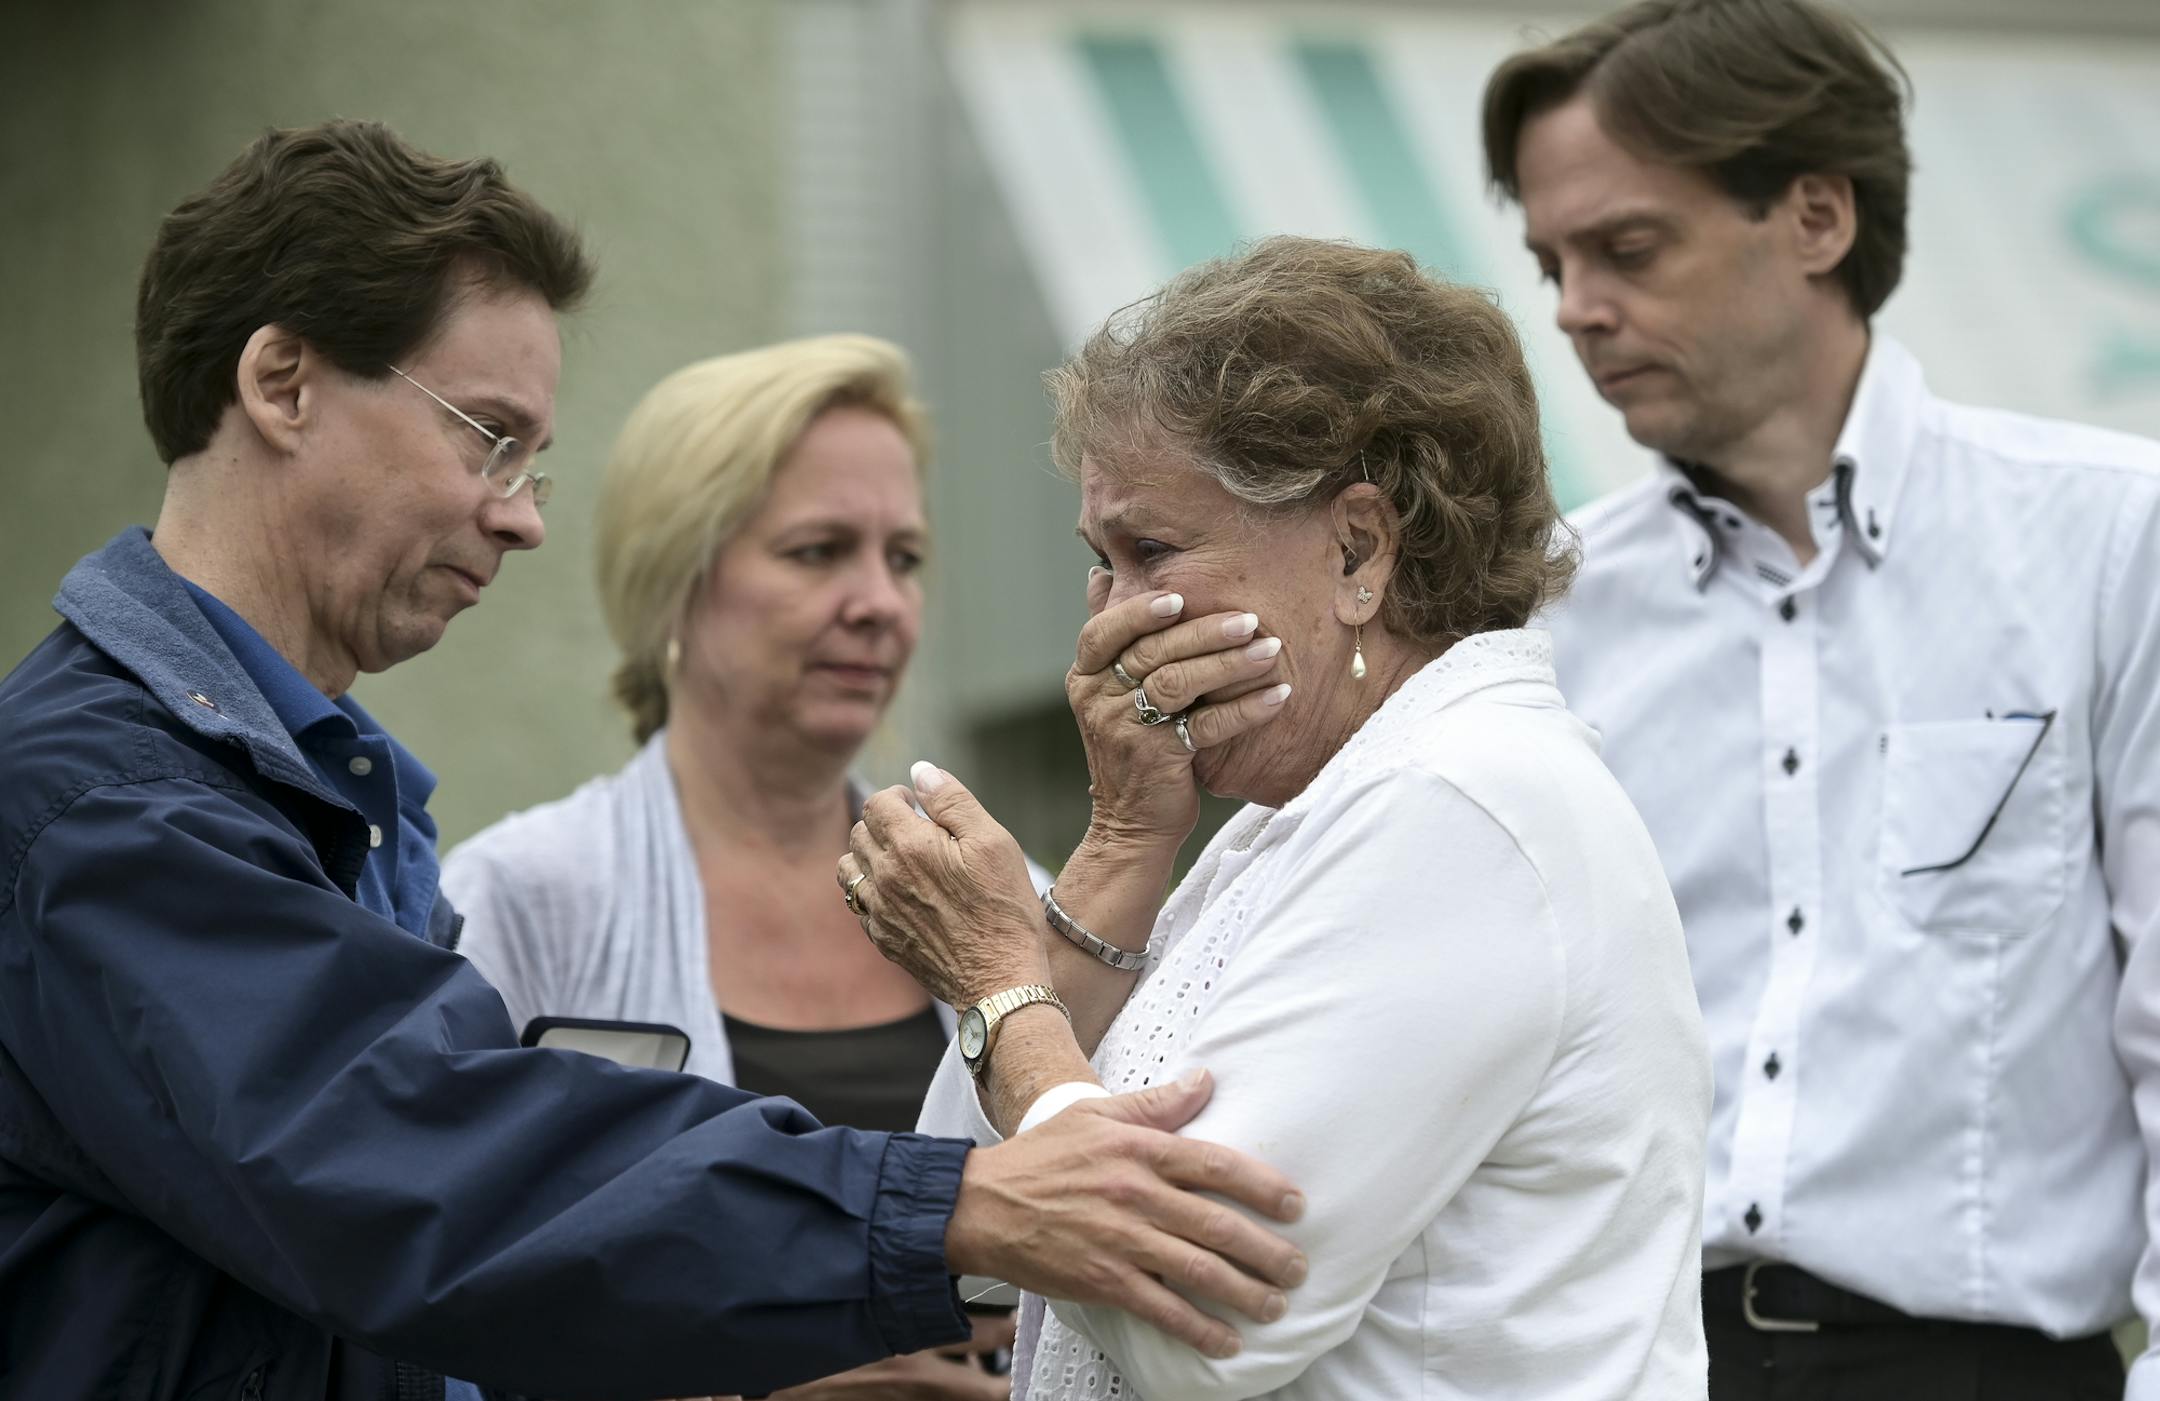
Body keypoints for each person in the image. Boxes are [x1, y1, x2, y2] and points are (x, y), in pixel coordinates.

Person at [0, 119, 1312, 1401]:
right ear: (280, 382)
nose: (516, 517)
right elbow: (426, 1166)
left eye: (904, 557)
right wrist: (938, 1218)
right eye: (487, 436)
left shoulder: (307, 792)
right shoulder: (105, 805)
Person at [836, 235, 1713, 1399]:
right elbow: (977, 1229)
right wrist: (1122, 849)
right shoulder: (1301, 815)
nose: (1107, 621)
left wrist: (1000, 979)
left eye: (1152, 551)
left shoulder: (1465, 804)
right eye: (1097, 561)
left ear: (1359, 547)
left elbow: (1195, 1316)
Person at [1480, 2, 2160, 1396]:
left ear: (1815, 218)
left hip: (1991, 1369)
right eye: (1552, 261)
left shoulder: (2112, 541)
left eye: (1626, 246)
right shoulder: (1541, 618)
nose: (1573, 308)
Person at [443, 335, 1023, 1397]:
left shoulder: (993, 883)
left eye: (903, 557)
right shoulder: (523, 896)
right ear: (676, 582)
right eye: (818, 551)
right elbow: (441, 1309)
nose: (880, 603)